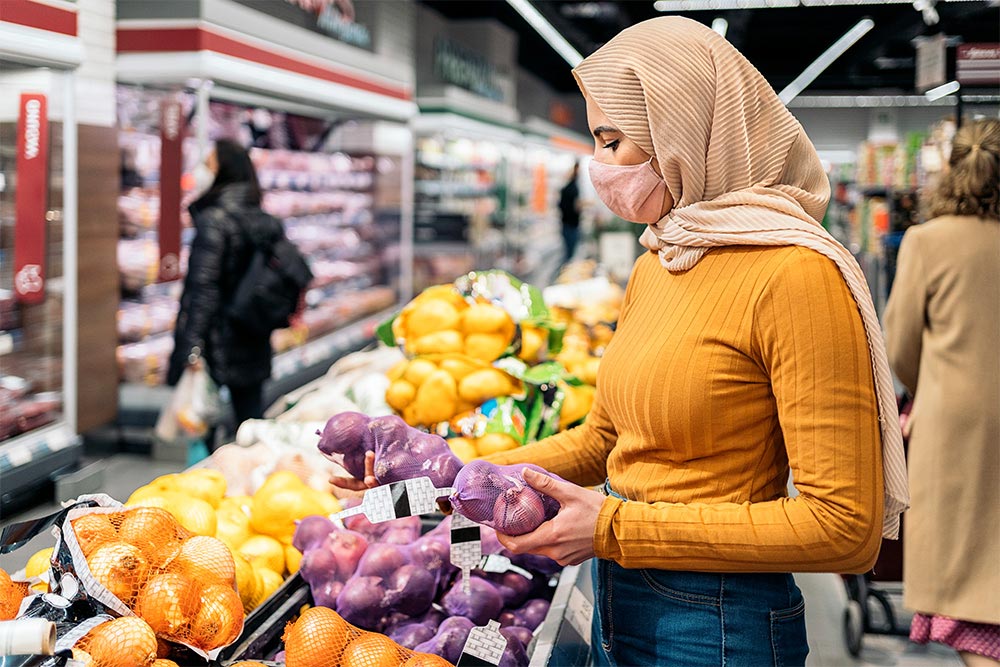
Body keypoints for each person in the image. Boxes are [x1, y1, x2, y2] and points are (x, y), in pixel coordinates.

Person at [334, 17, 908, 667]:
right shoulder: (659, 259)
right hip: (621, 596)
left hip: (717, 621)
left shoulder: (796, 274)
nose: (597, 164)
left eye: (612, 140)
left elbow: (844, 527)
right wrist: (431, 483)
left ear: (682, 132)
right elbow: (602, 441)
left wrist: (611, 526)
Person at [884, 119, 999, 667]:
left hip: (955, 428)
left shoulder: (928, 242)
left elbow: (899, 347)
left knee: (965, 582)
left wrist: (931, 383)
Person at [167, 139, 283, 433]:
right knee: (251, 422)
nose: (201, 170)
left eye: (208, 164)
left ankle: (213, 475)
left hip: (217, 340)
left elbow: (203, 289)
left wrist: (191, 345)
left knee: (202, 422)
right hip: (253, 333)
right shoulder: (263, 219)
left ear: (224, 171)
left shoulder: (214, 221)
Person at [558, 162, 581, 262]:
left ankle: (565, 272)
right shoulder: (573, 188)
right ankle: (565, 273)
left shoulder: (566, 188)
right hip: (571, 224)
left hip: (566, 223)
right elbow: (576, 206)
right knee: (569, 254)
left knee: (567, 252)